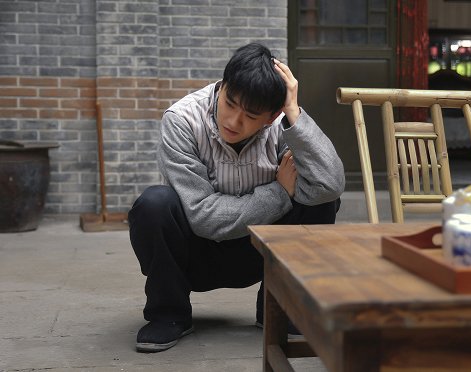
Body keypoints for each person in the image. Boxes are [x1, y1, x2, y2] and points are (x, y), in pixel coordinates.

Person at [128, 43, 345, 353]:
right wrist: (279, 192)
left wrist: (294, 113)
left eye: (250, 115)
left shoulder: (282, 126)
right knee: (155, 205)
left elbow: (329, 185)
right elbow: (202, 216)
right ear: (223, 86)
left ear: (271, 117)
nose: (233, 121)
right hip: (195, 255)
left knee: (320, 199)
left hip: (259, 254)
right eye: (229, 103)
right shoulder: (182, 120)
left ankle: (279, 309)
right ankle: (169, 314)